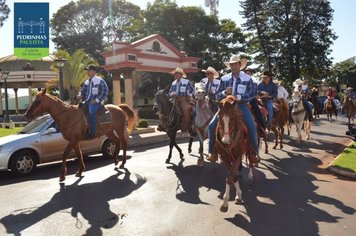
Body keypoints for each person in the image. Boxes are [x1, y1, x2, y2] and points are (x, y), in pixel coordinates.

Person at [207, 54, 260, 163]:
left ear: (240, 65)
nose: (233, 66)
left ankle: (254, 152)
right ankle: (211, 151)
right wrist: (224, 92)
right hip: (226, 107)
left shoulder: (247, 78)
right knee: (211, 126)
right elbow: (217, 95)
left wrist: (239, 97)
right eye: (231, 64)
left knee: (252, 126)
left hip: (240, 105)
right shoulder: (224, 78)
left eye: (235, 64)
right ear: (229, 66)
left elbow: (253, 93)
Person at [77, 65, 109, 139]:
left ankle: (93, 133)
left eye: (89, 70)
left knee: (91, 112)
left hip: (96, 102)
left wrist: (96, 100)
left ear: (94, 72)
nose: (87, 72)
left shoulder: (100, 80)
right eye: (87, 70)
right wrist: (79, 95)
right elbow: (83, 91)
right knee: (78, 109)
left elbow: (105, 91)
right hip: (87, 101)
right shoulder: (87, 82)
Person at [168, 67, 195, 135]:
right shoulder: (173, 83)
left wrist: (189, 96)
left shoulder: (187, 82)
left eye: (177, 73)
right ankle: (165, 124)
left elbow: (192, 90)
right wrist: (172, 93)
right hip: (174, 99)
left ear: (181, 74)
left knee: (185, 110)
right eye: (175, 74)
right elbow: (170, 91)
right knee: (166, 107)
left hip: (184, 99)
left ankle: (187, 126)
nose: (175, 75)